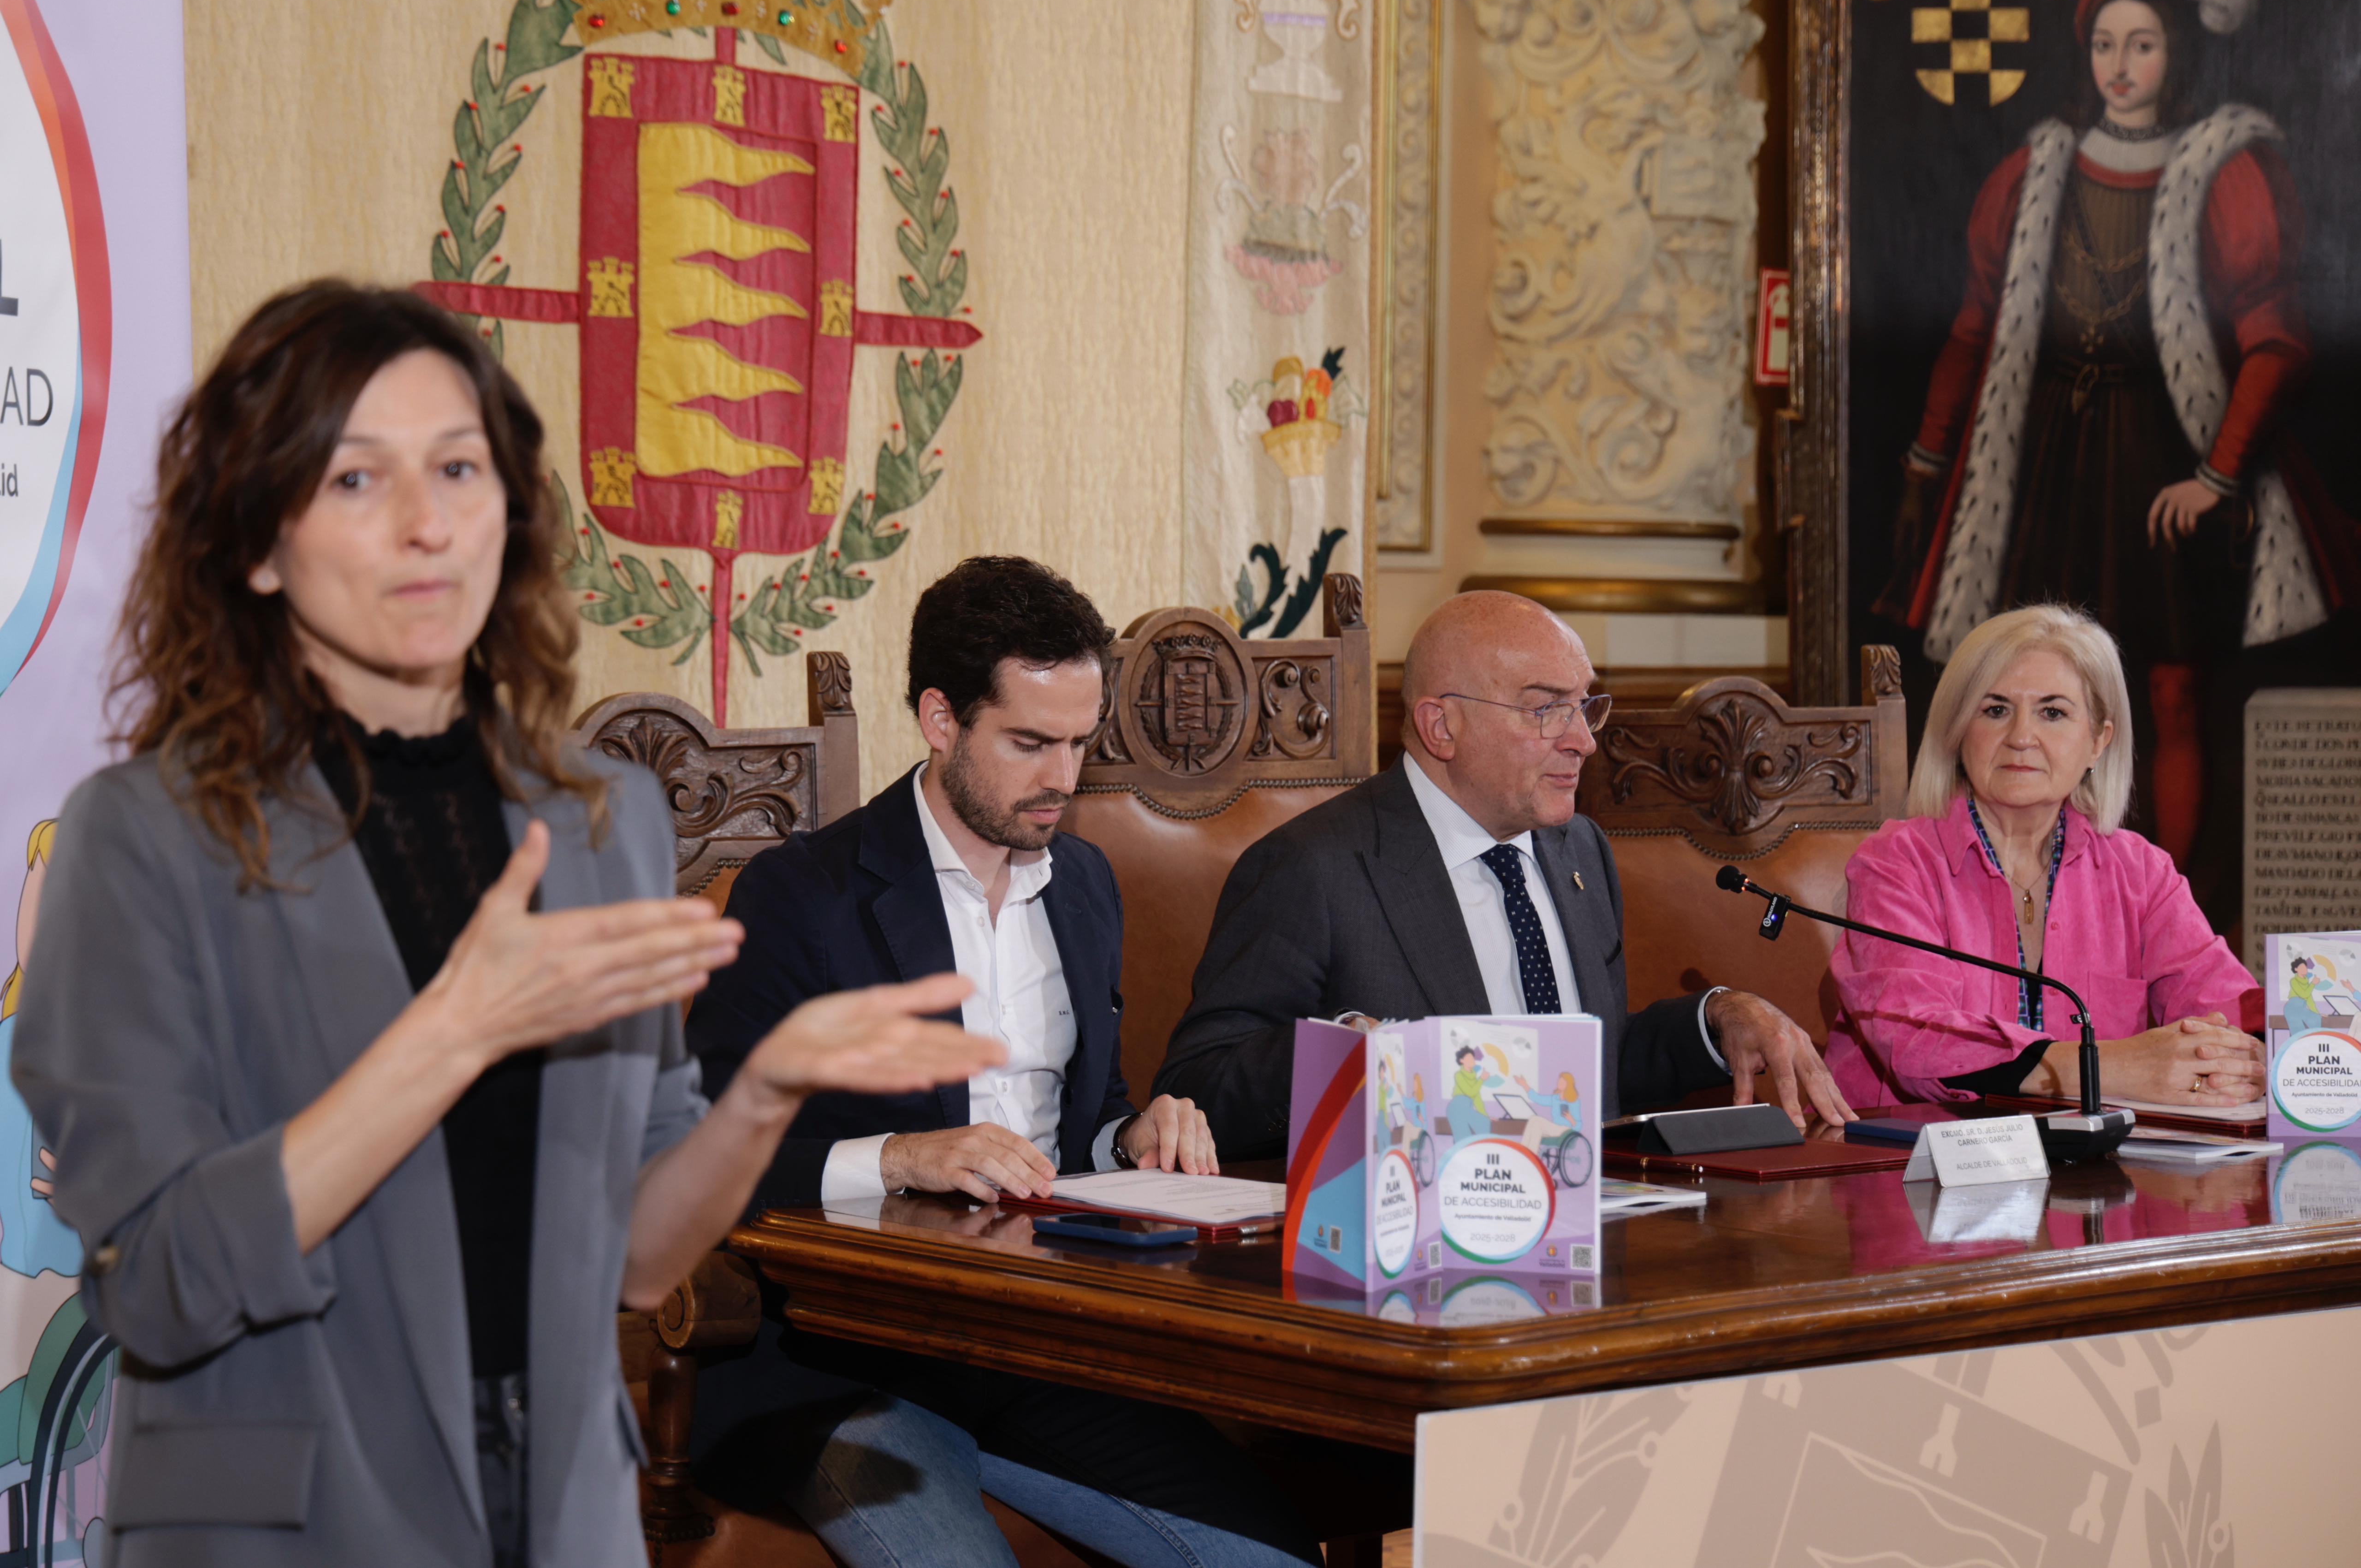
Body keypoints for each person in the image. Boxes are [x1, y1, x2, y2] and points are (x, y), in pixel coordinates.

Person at [10, 282, 1000, 1568]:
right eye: (356, 478)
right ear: (257, 542)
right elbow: (162, 1278)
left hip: (560, 1512)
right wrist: (455, 1031)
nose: (426, 523)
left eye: (458, 468)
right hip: (285, 1521)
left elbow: (641, 1260)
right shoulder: (142, 835)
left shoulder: (598, 820)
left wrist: (764, 1093)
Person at [687, 556, 1321, 1567]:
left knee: (1273, 1558)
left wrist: (1133, 1136)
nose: (1062, 777)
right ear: (940, 719)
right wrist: (901, 1156)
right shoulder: (803, 896)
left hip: (1040, 1341)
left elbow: (1083, 1121)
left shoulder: (1083, 883)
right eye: (1029, 742)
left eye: (1079, 742)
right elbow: (703, 1157)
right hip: (846, 1360)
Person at [1876, 0, 2359, 876]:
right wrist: (1926, 459)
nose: (2121, 65)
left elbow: (2278, 341)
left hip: (2166, 459)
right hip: (2048, 463)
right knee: (2032, 690)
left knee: (2172, 693)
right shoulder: (2035, 171)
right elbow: (1975, 330)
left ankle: (2163, 895)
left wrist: (2217, 475)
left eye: (2142, 44)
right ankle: (2035, 893)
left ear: (2177, 52)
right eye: (2105, 44)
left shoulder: (2227, 167)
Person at [1158, 589, 1854, 1160]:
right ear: (1441, 727)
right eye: (1545, 709)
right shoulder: (1312, 867)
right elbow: (1200, 1086)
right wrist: (1346, 1056)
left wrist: (1716, 1019)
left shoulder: (1577, 848)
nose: (1582, 739)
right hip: (1414, 1246)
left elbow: (1586, 1070)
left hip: (1592, 1223)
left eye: (1585, 705)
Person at [1825, 605, 2264, 1106]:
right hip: (1904, 1147)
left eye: (2052, 713)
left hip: (2094, 1152)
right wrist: (2111, 1068)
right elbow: (1916, 1041)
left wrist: (2242, 1059)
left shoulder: (2141, 873)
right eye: (1995, 710)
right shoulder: (1895, 864)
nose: (2020, 738)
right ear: (1958, 729)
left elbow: (2226, 1010)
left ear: (2098, 742)